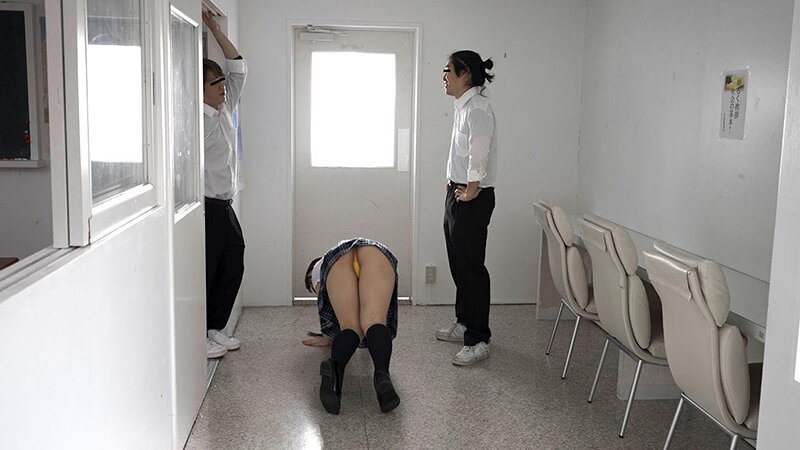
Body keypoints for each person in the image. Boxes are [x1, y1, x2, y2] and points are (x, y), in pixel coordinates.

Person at [435, 50, 498, 366]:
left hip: (473, 196)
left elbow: (478, 153)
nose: (444, 77)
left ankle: (479, 339)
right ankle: (464, 323)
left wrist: (472, 188)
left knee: (472, 269)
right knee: (459, 264)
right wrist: (452, 182)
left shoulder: (479, 109)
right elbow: (459, 153)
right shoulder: (462, 107)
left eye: (448, 70)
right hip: (458, 192)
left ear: (465, 75)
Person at [304, 238, 400, 414]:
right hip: (374, 251)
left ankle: (334, 371)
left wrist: (328, 338)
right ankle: (382, 375)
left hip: (338, 260)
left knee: (350, 326)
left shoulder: (318, 268)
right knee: (374, 320)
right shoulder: (345, 251)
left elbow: (327, 311)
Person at [202, 12, 248, 359]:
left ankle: (216, 328)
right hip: (205, 206)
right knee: (207, 271)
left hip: (224, 204)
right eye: (214, 83)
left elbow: (239, 68)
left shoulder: (226, 105)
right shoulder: (195, 120)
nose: (222, 86)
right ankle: (200, 334)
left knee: (233, 262)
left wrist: (216, 31)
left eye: (221, 81)